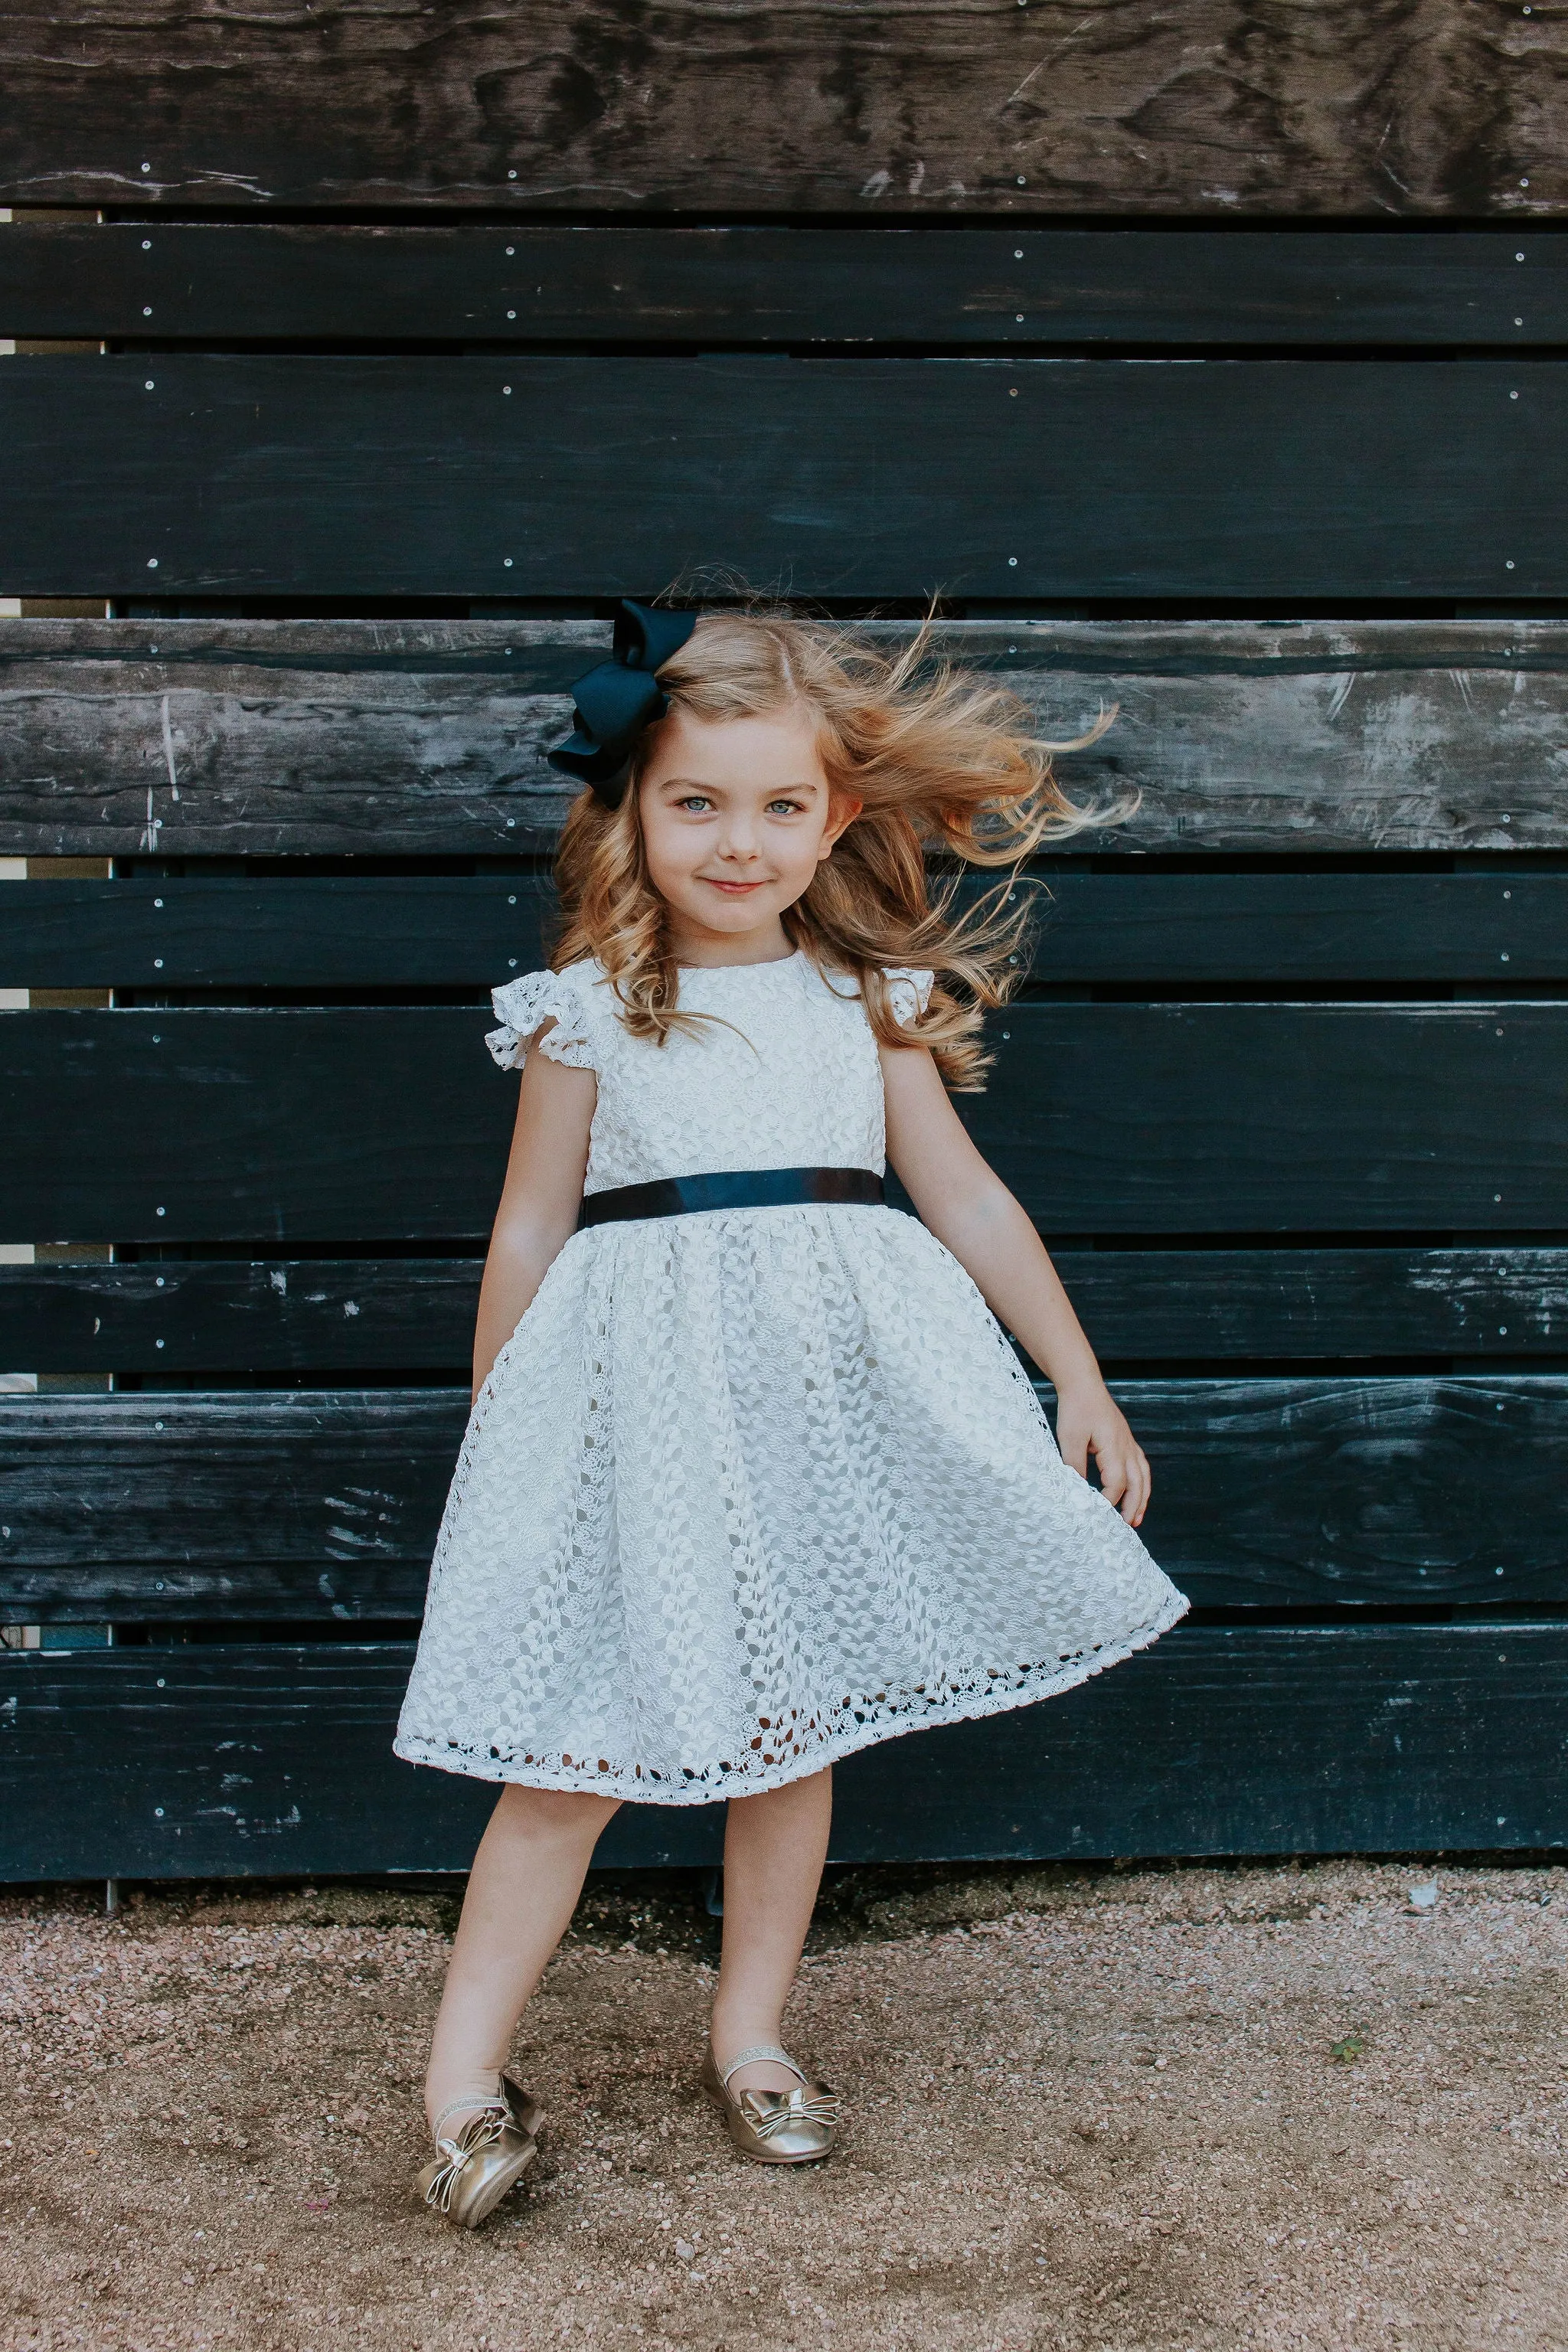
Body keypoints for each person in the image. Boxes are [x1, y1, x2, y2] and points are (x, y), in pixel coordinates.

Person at [394, 600, 1187, 2226]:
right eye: (696, 803)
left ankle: (751, 2036)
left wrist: (1079, 1377)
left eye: (778, 807)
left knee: (793, 1730)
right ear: (632, 812)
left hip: (824, 1423)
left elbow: (963, 1201)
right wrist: (502, 1423)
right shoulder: (588, 1008)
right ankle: (462, 2085)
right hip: (641, 1424)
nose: (737, 842)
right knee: (571, 1751)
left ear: (832, 819)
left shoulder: (861, 999)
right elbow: (531, 1228)